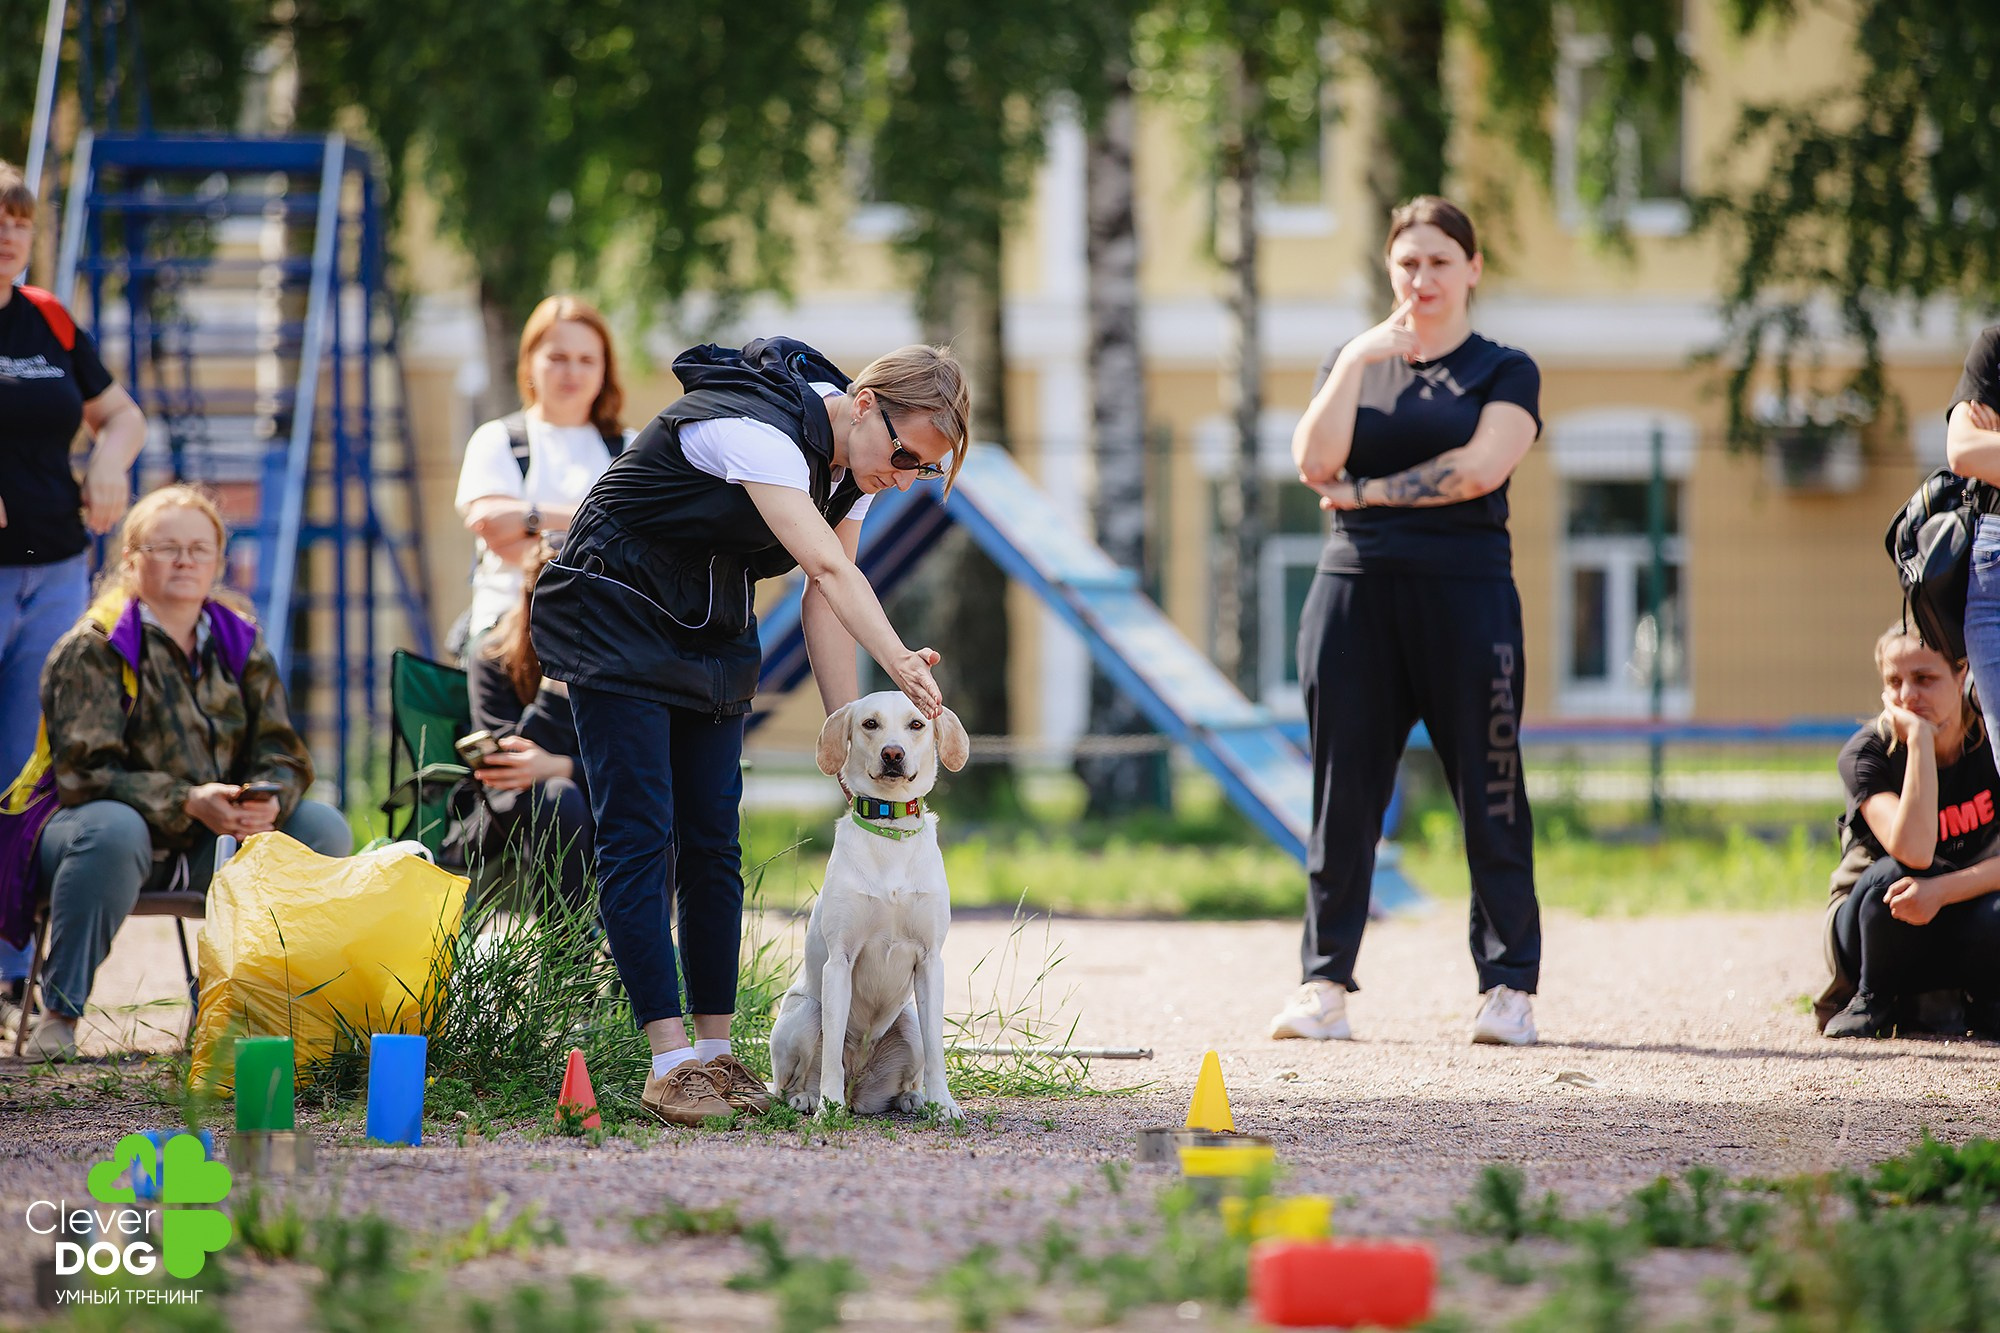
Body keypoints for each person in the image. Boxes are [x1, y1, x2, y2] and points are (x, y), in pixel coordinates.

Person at [533, 337, 966, 1125]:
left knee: (712, 841)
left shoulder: (854, 470)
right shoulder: (756, 428)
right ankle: (669, 1064)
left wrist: (850, 742)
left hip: (708, 628)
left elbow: (820, 599)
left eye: (921, 471)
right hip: (614, 612)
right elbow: (834, 573)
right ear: (864, 405)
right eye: (904, 456)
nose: (902, 478)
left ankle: (715, 1056)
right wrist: (900, 659)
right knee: (640, 834)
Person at [1272, 195, 1544, 1048]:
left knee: (1491, 790)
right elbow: (1312, 460)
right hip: (1354, 590)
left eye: (1437, 262)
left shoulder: (1505, 369)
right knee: (1340, 799)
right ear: (1390, 272)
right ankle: (1323, 985)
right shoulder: (1352, 360)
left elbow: (1476, 469)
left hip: (1467, 592)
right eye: (1407, 264)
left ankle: (1508, 990)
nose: (1421, 278)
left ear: (1472, 269)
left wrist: (1364, 492)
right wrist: (1355, 357)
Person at [0, 486, 352, 1060]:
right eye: (166, 547)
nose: (185, 560)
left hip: (207, 835)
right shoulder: (96, 645)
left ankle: (264, 1012)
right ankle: (58, 1016)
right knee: (113, 828)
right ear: (131, 558)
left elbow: (282, 751)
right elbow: (84, 774)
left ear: (218, 559)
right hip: (86, 837)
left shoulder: (240, 642)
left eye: (199, 547)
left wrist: (265, 800)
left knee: (322, 828)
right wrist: (189, 799)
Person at [0, 160, 147, 1030]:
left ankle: (13, 963)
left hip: (54, 569)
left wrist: (108, 460)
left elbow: (120, 411)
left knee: (26, 770)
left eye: (20, 219)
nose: (11, 232)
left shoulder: (49, 317)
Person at [1821, 626, 2000, 1038]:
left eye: (1924, 679)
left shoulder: (1990, 743)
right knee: (1895, 876)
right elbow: (1915, 853)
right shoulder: (1866, 752)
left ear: (1962, 675)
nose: (1906, 696)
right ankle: (1873, 1000)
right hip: (1876, 927)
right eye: (1893, 682)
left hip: (1957, 910)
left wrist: (1941, 892)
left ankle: (1987, 1004)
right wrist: (1919, 740)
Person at [453, 295, 627, 653]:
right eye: (558, 358)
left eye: (587, 360)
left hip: (607, 633)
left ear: (604, 369)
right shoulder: (497, 440)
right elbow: (489, 523)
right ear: (529, 362)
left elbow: (642, 544)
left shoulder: (632, 449)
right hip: (508, 631)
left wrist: (528, 520)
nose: (573, 372)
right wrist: (599, 524)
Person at [460, 540, 593, 917]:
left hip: (592, 784)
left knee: (651, 795)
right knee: (559, 796)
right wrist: (558, 679)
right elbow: (511, 764)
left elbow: (634, 759)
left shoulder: (618, 656)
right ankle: (565, 955)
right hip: (504, 804)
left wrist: (559, 765)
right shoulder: (492, 655)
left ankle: (652, 958)